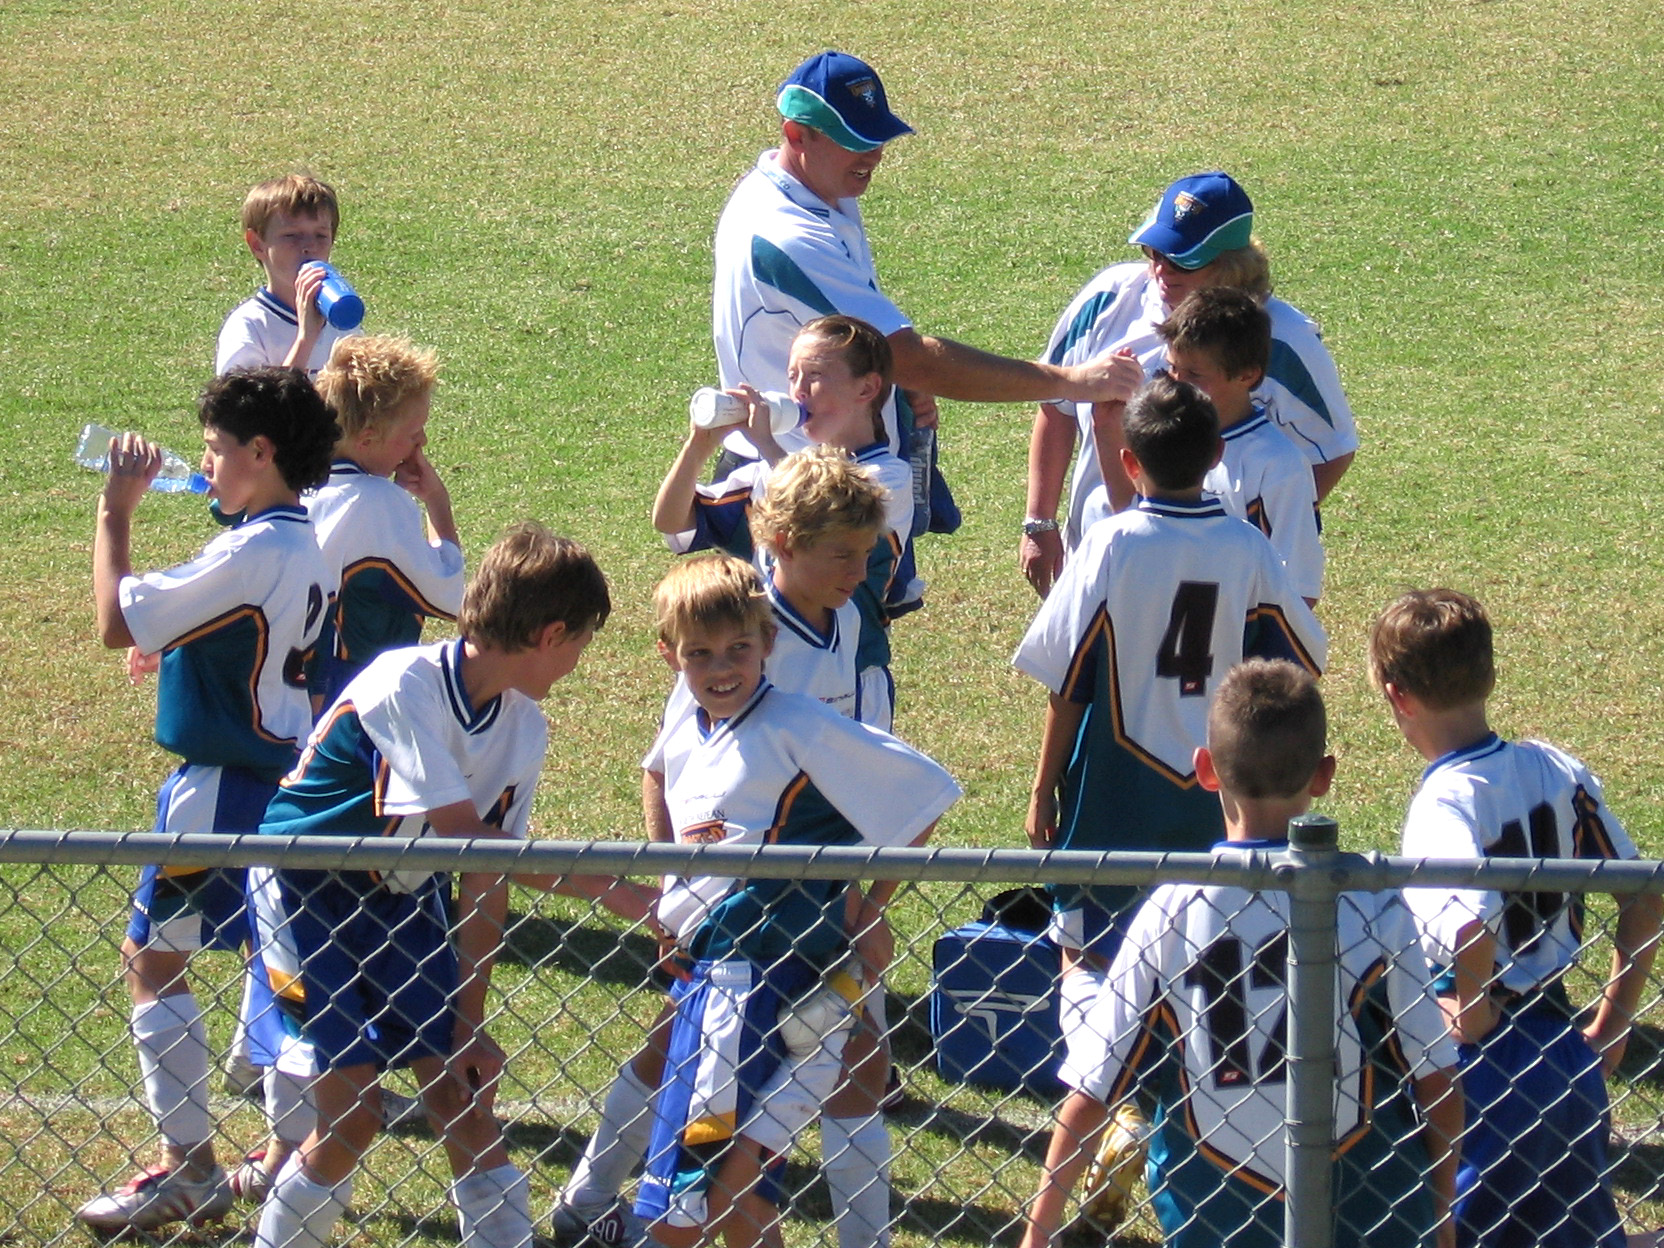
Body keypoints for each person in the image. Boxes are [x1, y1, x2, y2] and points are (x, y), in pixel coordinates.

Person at [246, 523, 657, 1248]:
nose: (577, 663)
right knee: (353, 1112)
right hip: (304, 893)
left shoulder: (524, 727)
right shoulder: (403, 682)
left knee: (463, 1096)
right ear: (551, 635)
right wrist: (620, 893)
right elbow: (465, 837)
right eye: (581, 644)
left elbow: (485, 877)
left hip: (400, 898)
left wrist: (468, 1021)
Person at [557, 453, 897, 1247]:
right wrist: (675, 890)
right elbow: (664, 769)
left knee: (852, 1066)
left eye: (865, 552)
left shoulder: (844, 618)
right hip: (745, 909)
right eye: (841, 554)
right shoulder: (732, 639)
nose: (858, 570)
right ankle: (594, 1198)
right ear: (783, 544)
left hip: (824, 896)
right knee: (692, 1056)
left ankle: (609, 1201)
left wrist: (865, 898)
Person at [1018, 660, 1463, 1248]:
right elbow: (1436, 1079)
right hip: (1368, 1213)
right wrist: (1441, 1215)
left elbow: (1092, 1090)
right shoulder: (1370, 902)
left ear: (1205, 769)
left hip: (1217, 1213)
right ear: (1324, 775)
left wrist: (1036, 1236)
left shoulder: (1173, 908)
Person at [76, 367, 340, 1236]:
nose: (205, 465)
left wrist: (115, 510)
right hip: (279, 784)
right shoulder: (299, 542)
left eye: (216, 449)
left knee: (154, 958)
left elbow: (115, 619)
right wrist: (183, 644)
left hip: (219, 789)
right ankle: (291, 1152)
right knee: (282, 972)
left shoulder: (253, 548)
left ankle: (188, 1166)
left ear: (261, 452)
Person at [633, 555, 961, 1248]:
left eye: (738, 648)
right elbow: (672, 804)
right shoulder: (689, 729)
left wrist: (870, 908)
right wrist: (671, 904)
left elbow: (923, 793)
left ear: (768, 642)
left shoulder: (797, 723)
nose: (722, 668)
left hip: (760, 987)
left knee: (683, 1211)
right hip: (704, 981)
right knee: (740, 1205)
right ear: (668, 655)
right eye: (699, 654)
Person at [1012, 374, 1327, 1063]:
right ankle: (1184, 1079)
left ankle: (1104, 1087)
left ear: (1129, 461)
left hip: (1113, 779)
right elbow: (1301, 658)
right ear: (1217, 453)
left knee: (1088, 949)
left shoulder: (1110, 543)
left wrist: (1042, 788)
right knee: (1200, 945)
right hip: (1216, 784)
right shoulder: (1248, 547)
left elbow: (1066, 682)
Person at [1370, 589, 1662, 1248]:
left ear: (1397, 697)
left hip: (1483, 1070)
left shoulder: (1443, 803)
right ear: (1490, 673)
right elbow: (1645, 894)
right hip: (1563, 1047)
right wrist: (1614, 1024)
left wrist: (1473, 1016)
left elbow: (1469, 925)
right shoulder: (1554, 766)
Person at [712, 50, 1143, 471]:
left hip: (825, 467)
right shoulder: (787, 235)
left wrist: (893, 378)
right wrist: (1071, 382)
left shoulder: (813, 189)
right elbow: (911, 358)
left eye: (877, 138)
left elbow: (883, 353)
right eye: (853, 140)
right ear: (796, 135)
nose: (873, 155)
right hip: (792, 482)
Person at [1020, 170, 1357, 597]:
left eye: (1183, 260)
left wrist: (1257, 539)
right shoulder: (1108, 297)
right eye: (1154, 251)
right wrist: (1039, 522)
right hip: (1097, 556)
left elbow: (1332, 448)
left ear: (1233, 264)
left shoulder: (1284, 340)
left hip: (1209, 586)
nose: (1161, 269)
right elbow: (1057, 406)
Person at [655, 317, 914, 729]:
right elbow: (670, 521)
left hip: (849, 675)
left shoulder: (890, 476)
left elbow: (820, 503)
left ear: (866, 388)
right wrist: (699, 445)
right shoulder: (773, 471)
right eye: (792, 376)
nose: (798, 391)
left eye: (815, 376)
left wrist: (765, 443)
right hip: (763, 670)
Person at [309, 334, 465, 708]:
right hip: (353, 695)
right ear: (367, 439)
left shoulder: (294, 485)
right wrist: (437, 503)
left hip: (286, 693)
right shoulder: (379, 503)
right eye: (413, 434)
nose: (422, 442)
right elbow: (451, 596)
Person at [1157, 286, 1324, 604]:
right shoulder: (1163, 436)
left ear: (1247, 375)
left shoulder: (1278, 465)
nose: (1176, 384)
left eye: (1194, 374)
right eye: (1172, 368)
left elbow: (1299, 589)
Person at [217, 174, 359, 377]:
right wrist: (306, 338)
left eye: (321, 235)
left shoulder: (343, 320)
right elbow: (250, 399)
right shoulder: (249, 325)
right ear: (257, 244)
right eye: (291, 235)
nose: (309, 246)